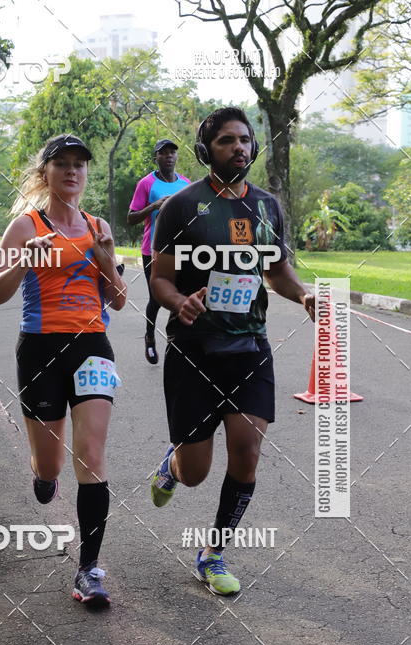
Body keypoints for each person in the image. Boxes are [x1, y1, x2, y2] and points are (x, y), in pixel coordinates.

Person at [149, 107, 315, 595]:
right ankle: (172, 465)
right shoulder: (179, 208)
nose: (239, 147)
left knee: (248, 451)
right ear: (207, 150)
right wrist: (179, 301)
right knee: (195, 472)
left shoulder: (266, 207)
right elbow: (159, 278)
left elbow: (277, 271)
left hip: (249, 347)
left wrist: (302, 294)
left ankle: (213, 552)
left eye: (245, 140)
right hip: (194, 352)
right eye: (226, 141)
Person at [0, 134, 127, 607]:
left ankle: (89, 570)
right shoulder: (25, 227)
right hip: (41, 350)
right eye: (61, 164)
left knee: (91, 455)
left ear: (86, 173)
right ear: (44, 173)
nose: (72, 171)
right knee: (51, 462)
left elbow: (120, 301)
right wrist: (25, 260)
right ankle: (45, 476)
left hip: (93, 347)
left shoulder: (98, 225)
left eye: (79, 164)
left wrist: (105, 255)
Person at [127, 140, 190, 364]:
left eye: (172, 152)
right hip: (152, 249)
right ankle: (150, 337)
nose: (169, 156)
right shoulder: (146, 184)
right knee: (156, 297)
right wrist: (154, 206)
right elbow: (131, 217)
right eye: (163, 153)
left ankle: (177, 340)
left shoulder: (186, 184)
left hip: (181, 250)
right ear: (156, 158)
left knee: (182, 294)